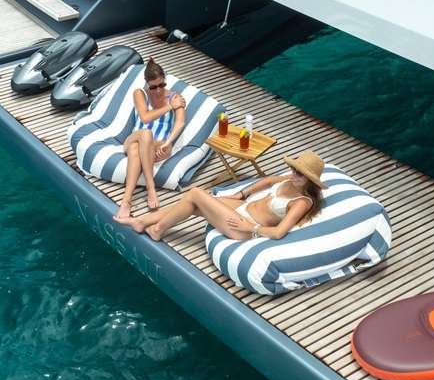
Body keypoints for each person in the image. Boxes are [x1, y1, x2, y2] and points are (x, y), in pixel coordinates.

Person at [122, 150, 327, 242]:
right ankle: (143, 222)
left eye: (300, 173)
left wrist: (250, 228)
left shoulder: (301, 202)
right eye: (294, 169)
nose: (294, 174)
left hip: (244, 228)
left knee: (195, 193)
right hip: (242, 209)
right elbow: (268, 181)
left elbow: (278, 233)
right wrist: (242, 194)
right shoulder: (291, 179)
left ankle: (157, 229)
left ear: (310, 179)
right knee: (192, 203)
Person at [113, 58, 186, 220]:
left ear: (165, 80)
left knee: (136, 151)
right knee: (146, 134)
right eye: (153, 87)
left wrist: (168, 143)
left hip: (160, 146)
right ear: (147, 83)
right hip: (135, 138)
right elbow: (145, 118)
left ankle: (126, 202)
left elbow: (180, 122)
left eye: (161, 85)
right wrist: (170, 107)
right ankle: (151, 189)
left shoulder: (174, 97)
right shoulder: (140, 93)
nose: (158, 90)